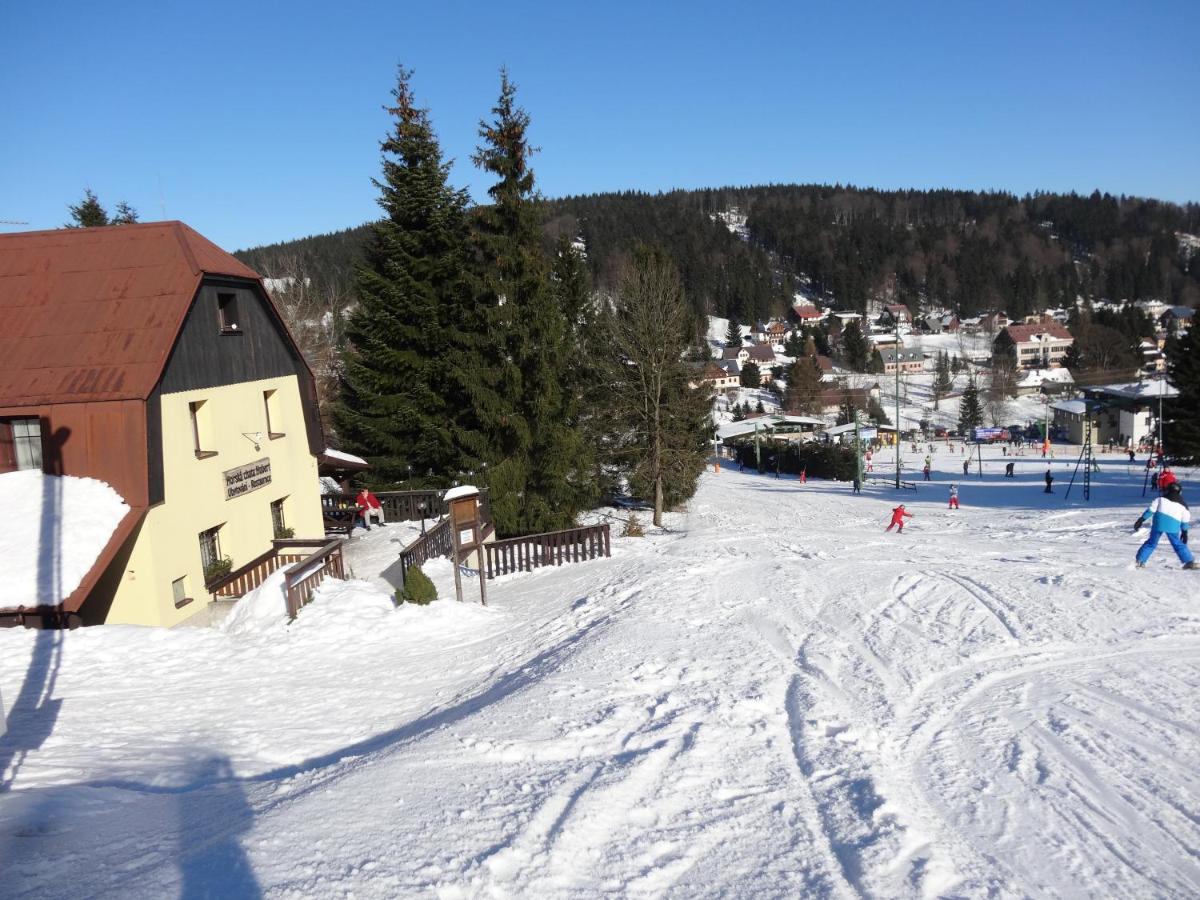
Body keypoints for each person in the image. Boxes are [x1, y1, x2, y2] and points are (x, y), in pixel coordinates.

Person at [1134, 483, 1195, 569]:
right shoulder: (1183, 505)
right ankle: (1189, 561)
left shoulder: (1160, 499)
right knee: (1177, 543)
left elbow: (1150, 510)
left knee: (1151, 542)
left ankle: (1140, 561)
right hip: (1173, 526)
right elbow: (1185, 520)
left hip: (1159, 524)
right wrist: (1184, 532)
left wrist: (1141, 520)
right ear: (1180, 492)